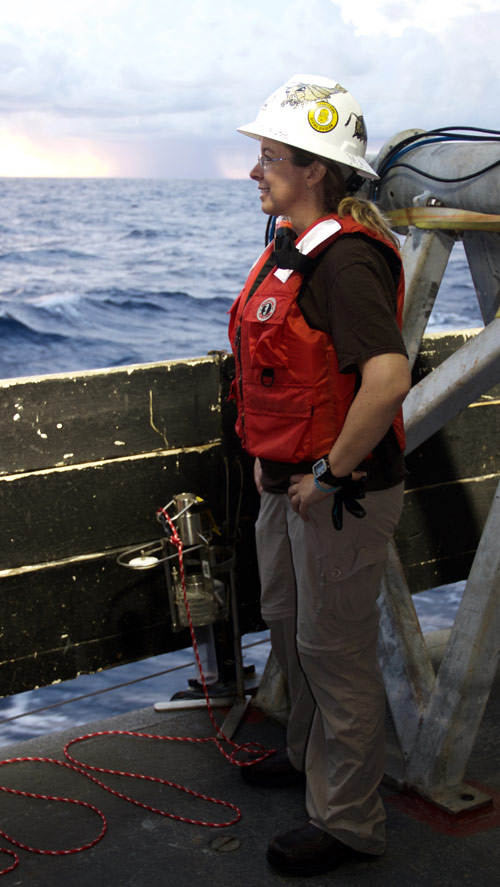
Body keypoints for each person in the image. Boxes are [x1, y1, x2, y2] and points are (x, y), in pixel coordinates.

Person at [228, 74, 411, 877]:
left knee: (334, 650)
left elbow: (388, 379)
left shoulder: (347, 263)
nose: (255, 170)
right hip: (285, 482)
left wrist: (331, 479)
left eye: (270, 156)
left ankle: (349, 822)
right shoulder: (291, 246)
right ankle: (306, 755)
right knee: (289, 622)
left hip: (337, 494)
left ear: (314, 168)